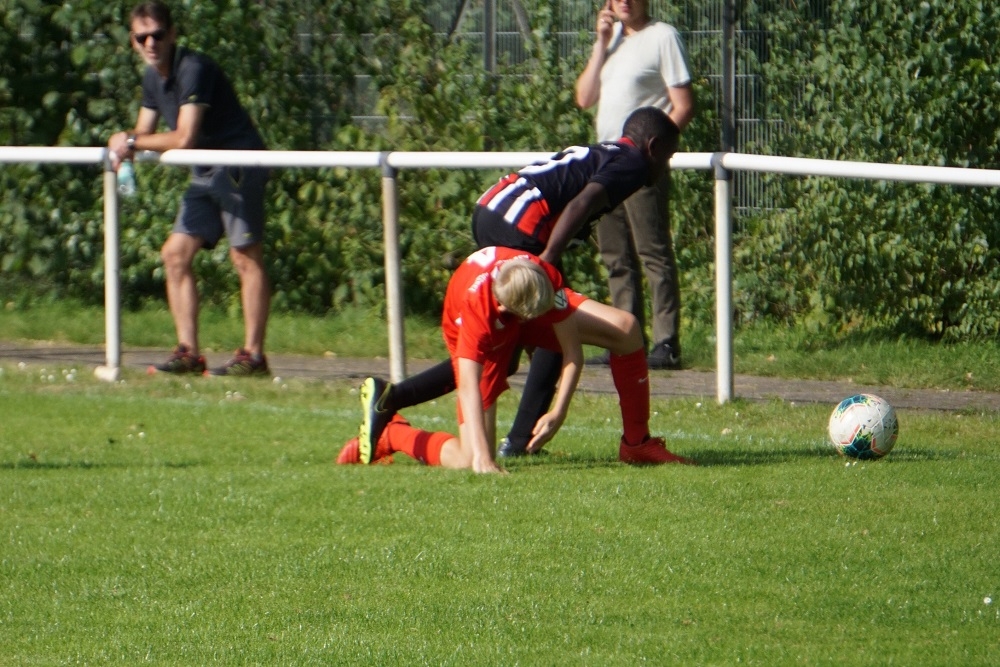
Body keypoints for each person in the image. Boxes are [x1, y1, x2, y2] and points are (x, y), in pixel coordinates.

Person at [354, 107, 680, 460]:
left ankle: (394, 401)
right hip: (519, 223)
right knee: (543, 328)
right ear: (653, 146)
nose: (666, 167)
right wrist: (547, 262)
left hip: (495, 208)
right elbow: (583, 203)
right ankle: (524, 441)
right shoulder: (634, 162)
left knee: (518, 342)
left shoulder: (608, 151)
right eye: (667, 157)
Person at [336, 246, 694, 473]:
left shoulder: (542, 277)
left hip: (521, 303)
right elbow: (468, 387)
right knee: (468, 459)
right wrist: (484, 459)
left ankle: (637, 444)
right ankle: (394, 434)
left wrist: (558, 411)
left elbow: (571, 351)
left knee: (625, 328)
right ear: (510, 310)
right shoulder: (478, 312)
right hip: (476, 323)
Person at [107, 1, 272, 377]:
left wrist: (129, 141)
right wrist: (126, 141)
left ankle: (254, 356)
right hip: (204, 171)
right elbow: (143, 131)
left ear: (172, 34)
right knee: (174, 254)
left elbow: (184, 137)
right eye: (142, 37)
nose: (151, 44)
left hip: (238, 165)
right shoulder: (152, 77)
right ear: (133, 41)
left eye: (157, 35)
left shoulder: (194, 68)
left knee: (244, 257)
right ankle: (188, 353)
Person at [575, 0, 695, 370]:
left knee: (652, 252)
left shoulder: (663, 36)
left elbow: (683, 105)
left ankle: (666, 343)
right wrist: (600, 43)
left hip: (641, 165)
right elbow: (584, 98)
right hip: (606, 163)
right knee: (616, 256)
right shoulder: (610, 40)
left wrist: (652, 153)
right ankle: (625, 340)